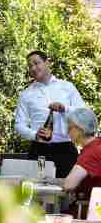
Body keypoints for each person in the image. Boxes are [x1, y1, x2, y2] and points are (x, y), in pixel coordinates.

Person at [15, 50, 86, 178]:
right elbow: (19, 124)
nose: (33, 68)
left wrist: (65, 108)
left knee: (69, 189)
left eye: (36, 63)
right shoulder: (26, 94)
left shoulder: (67, 87)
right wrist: (34, 135)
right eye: (30, 66)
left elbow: (84, 113)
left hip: (66, 149)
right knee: (39, 189)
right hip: (39, 151)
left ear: (48, 63)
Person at [63, 107, 101, 200]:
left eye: (70, 127)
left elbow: (69, 185)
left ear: (80, 129)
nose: (67, 131)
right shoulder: (97, 144)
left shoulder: (91, 152)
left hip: (92, 210)